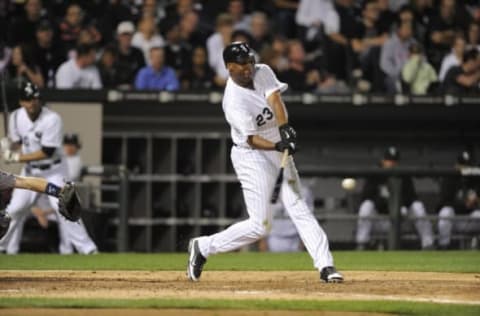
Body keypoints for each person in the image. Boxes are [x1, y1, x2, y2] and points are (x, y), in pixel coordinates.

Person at [187, 42, 343, 283]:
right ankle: (204, 246)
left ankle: (326, 266)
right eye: (241, 64)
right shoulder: (233, 101)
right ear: (229, 67)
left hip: (275, 144)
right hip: (251, 155)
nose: (248, 67)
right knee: (260, 226)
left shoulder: (263, 71)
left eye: (249, 61)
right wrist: (277, 145)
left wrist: (285, 130)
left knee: (298, 206)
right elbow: (250, 139)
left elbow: (276, 101)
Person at [0, 81, 97, 254]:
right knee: (14, 210)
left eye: (35, 99)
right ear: (22, 102)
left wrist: (16, 157)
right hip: (30, 170)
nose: (32, 103)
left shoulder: (52, 119)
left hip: (53, 171)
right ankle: (3, 247)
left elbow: (47, 151)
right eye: (28, 100)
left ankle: (88, 249)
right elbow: (18, 142)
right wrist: (9, 146)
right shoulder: (16, 117)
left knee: (66, 207)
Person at [355, 146, 434, 250]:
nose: (391, 164)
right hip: (379, 218)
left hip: (400, 220)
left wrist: (402, 207)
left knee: (418, 206)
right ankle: (362, 243)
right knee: (366, 206)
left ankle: (428, 244)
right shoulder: (375, 174)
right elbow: (366, 197)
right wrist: (385, 202)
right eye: (388, 160)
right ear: (383, 161)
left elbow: (412, 198)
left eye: (394, 161)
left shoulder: (403, 175)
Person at [437, 150, 480, 249]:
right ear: (456, 165)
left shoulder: (475, 179)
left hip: (469, 219)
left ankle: (475, 246)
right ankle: (443, 246)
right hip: (453, 220)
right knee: (446, 212)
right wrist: (465, 205)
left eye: (467, 165)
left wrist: (476, 201)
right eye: (461, 164)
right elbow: (444, 202)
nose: (464, 167)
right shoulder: (449, 179)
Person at [258, 183, 315, 252]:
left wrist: (304, 241)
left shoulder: (304, 191)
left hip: (296, 239)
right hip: (273, 238)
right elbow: (262, 216)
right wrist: (262, 240)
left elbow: (308, 218)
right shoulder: (266, 190)